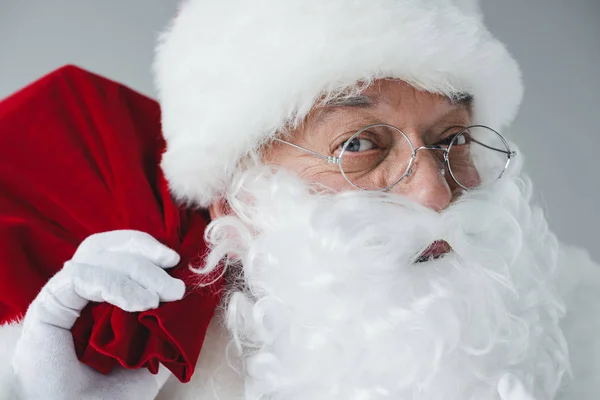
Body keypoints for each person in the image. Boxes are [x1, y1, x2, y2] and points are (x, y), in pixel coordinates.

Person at [0, 0, 599, 399]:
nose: (434, 192)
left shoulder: (580, 323)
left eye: (452, 139)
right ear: (235, 198)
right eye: (360, 143)